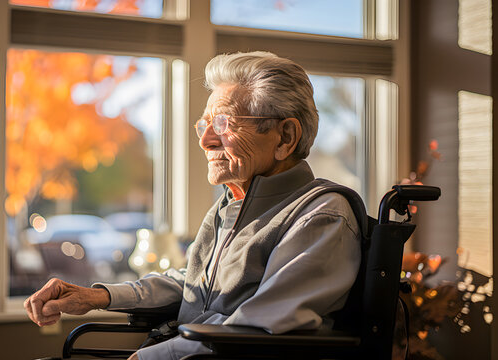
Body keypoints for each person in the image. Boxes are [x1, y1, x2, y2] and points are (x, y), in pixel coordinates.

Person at [24, 51, 366, 360]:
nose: (204, 140)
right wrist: (97, 296)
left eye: (224, 123)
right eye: (204, 124)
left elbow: (255, 332)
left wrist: (145, 359)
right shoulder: (233, 206)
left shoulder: (320, 217)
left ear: (285, 137)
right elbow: (192, 284)